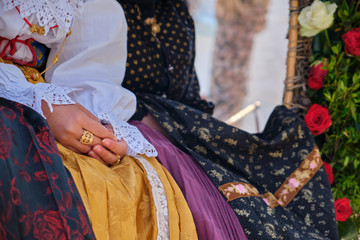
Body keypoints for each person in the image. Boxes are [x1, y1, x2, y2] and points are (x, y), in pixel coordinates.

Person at [115, 0, 339, 239]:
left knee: (291, 145)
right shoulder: (111, 9)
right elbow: (99, 91)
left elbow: (189, 93)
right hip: (141, 133)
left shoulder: (175, 9)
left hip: (187, 132)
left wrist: (205, 136)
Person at [0, 0, 198, 239]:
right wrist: (37, 102)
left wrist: (100, 129)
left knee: (131, 179)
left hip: (53, 104)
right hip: (15, 104)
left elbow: (90, 70)